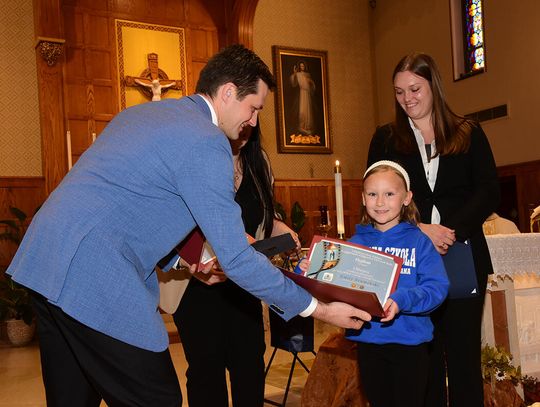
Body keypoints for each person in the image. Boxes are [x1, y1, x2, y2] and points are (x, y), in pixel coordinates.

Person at [6, 44, 370, 407]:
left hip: (44, 260)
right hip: (95, 274)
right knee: (158, 398)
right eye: (254, 107)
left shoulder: (142, 114)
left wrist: (188, 259)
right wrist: (320, 309)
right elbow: (238, 259)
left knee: (72, 397)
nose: (253, 121)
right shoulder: (207, 140)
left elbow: (134, 204)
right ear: (228, 92)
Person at [367, 52, 500, 407]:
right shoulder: (385, 139)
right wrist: (420, 229)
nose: (407, 99)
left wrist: (449, 230)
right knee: (423, 358)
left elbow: (489, 190)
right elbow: (377, 193)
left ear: (433, 86)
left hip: (462, 254)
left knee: (463, 357)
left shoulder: (468, 132)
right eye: (399, 92)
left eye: (415, 89)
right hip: (412, 257)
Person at [173, 123, 299, 407]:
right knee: (206, 374)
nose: (248, 123)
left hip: (244, 285)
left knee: (250, 368)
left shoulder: (259, 161)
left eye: (255, 114)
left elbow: (263, 216)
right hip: (198, 284)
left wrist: (282, 231)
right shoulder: (197, 157)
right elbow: (179, 222)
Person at [347, 161, 448, 407]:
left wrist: (402, 300)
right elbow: (337, 287)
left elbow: (436, 287)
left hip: (410, 343)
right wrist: (311, 268)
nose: (380, 202)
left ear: (406, 198)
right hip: (369, 342)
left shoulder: (419, 242)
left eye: (389, 194)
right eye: (373, 194)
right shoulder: (356, 242)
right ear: (363, 198)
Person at [290, 61, 316, 134]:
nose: (302, 67)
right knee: (302, 111)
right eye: (301, 66)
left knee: (308, 111)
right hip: (302, 94)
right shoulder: (298, 74)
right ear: (299, 67)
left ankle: (307, 126)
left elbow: (312, 85)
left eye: (303, 66)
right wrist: (294, 73)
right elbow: (294, 83)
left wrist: (310, 82)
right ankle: (302, 125)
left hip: (307, 94)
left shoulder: (307, 75)